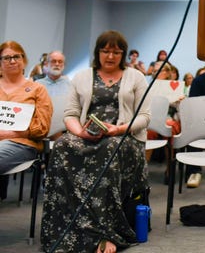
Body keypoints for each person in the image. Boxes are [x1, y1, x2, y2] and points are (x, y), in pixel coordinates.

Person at [41, 30, 151, 253]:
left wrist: (119, 128)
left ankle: (105, 233)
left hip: (123, 137)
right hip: (87, 134)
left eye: (116, 52)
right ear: (97, 52)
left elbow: (144, 117)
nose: (110, 56)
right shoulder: (82, 76)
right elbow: (70, 114)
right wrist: (80, 133)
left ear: (123, 54)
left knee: (109, 149)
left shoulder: (136, 77)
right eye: (105, 51)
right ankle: (62, 227)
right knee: (62, 146)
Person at [0, 41, 53, 200]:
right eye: (7, 58)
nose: (13, 61)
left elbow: (42, 128)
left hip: (22, 143)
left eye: (17, 56)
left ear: (24, 60)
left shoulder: (38, 89)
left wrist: (12, 133)